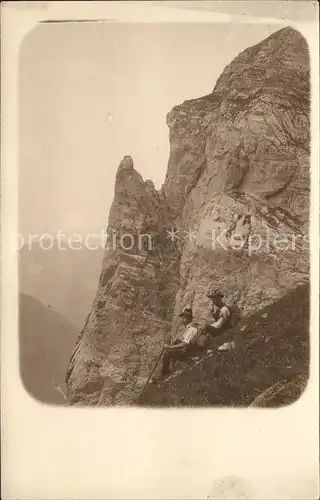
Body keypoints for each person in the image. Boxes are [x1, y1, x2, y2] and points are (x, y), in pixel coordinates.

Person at [161, 305, 201, 376]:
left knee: (167, 352)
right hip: (187, 350)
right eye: (182, 318)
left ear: (189, 319)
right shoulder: (189, 327)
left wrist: (169, 347)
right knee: (175, 345)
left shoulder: (192, 329)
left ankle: (165, 373)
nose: (182, 320)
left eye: (184, 318)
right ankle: (171, 368)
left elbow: (184, 344)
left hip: (187, 353)